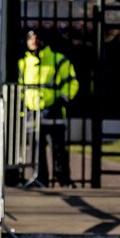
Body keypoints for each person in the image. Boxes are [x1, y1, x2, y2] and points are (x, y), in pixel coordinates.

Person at [18, 29, 79, 187]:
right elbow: (19, 87)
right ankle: (40, 179)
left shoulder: (58, 60)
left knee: (58, 147)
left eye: (36, 37)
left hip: (54, 109)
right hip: (33, 110)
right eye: (30, 37)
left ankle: (63, 179)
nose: (33, 41)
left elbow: (71, 82)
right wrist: (22, 104)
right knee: (36, 147)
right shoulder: (23, 63)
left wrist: (63, 99)